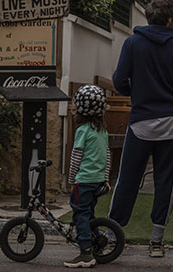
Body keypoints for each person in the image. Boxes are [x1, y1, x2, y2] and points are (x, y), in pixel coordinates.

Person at [108, 0, 173, 258]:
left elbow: (120, 80)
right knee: (164, 180)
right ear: (170, 19)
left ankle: (112, 234)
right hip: (171, 124)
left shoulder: (132, 44)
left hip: (141, 121)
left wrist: (137, 93)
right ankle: (156, 241)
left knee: (127, 179)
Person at [64, 85, 111, 269]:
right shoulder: (102, 131)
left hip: (83, 181)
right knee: (89, 214)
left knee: (80, 215)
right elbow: (107, 155)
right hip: (98, 180)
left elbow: (76, 157)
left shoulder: (82, 131)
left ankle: (85, 253)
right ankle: (94, 244)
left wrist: (71, 179)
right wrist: (106, 178)